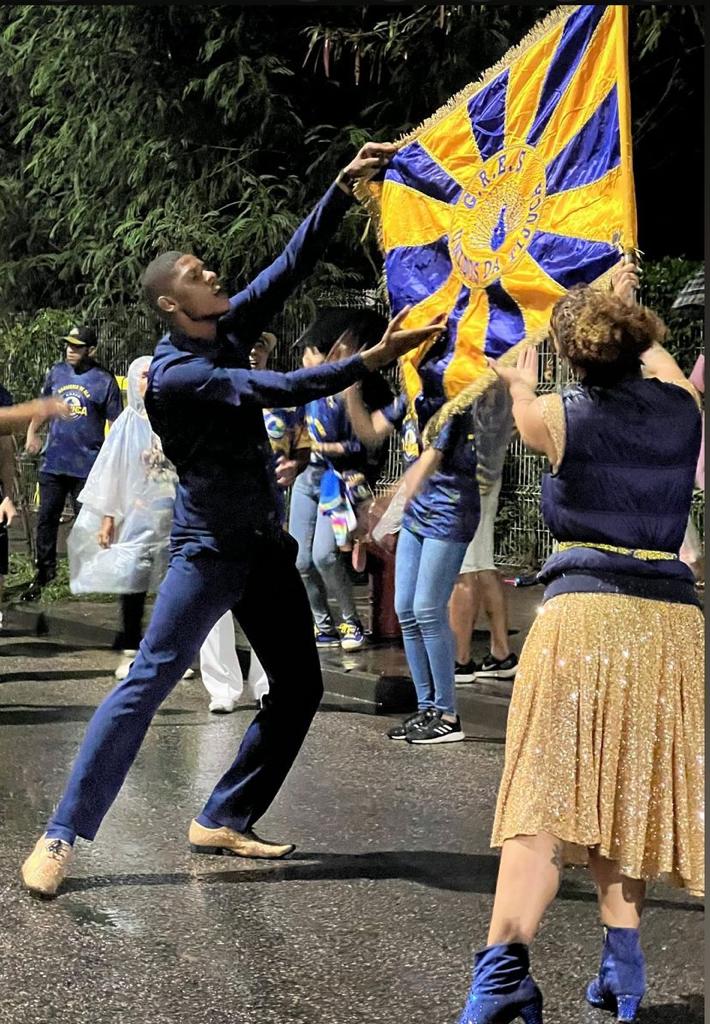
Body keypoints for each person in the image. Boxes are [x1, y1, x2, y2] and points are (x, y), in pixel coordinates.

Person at [21, 140, 446, 897]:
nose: (212, 275)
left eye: (207, 269)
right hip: (208, 551)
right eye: (196, 274)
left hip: (263, 548)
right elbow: (272, 387)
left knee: (300, 686)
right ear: (170, 303)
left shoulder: (220, 328)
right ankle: (61, 833)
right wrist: (368, 361)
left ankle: (224, 815)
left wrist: (341, 188)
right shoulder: (178, 373)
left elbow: (288, 266)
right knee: (147, 681)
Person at [456, 265, 703, 1024]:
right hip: (669, 626)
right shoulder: (684, 410)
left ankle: (501, 977)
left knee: (542, 793)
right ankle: (623, 972)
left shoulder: (555, 417)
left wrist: (517, 379)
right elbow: (660, 368)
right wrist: (628, 310)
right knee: (627, 795)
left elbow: (522, 406)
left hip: (585, 618)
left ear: (570, 356)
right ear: (638, 340)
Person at [289, 307, 393, 651]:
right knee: (299, 560)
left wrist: (334, 448)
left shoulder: (366, 389)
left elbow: (370, 443)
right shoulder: (306, 388)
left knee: (324, 555)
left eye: (312, 351)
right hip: (307, 480)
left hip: (339, 485)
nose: (305, 359)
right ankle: (322, 624)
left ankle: (350, 621)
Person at [386, 404, 480, 744]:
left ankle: (448, 714)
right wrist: (350, 390)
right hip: (416, 511)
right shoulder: (408, 395)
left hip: (448, 510)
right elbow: (371, 430)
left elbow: (434, 456)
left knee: (427, 608)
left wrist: (389, 500)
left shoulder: (449, 399)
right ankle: (426, 708)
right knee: (405, 608)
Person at [22, 326, 123, 601]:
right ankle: (44, 573)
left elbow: (116, 424)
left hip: (87, 466)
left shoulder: (104, 381)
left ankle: (89, 576)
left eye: (77, 346)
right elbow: (44, 406)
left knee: (86, 523)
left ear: (91, 350)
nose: (70, 350)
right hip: (54, 461)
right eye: (68, 345)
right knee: (46, 520)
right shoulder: (57, 373)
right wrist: (32, 433)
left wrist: (112, 459)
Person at [449, 381, 517, 683]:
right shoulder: (497, 381)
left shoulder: (469, 375)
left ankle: (460, 659)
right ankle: (501, 653)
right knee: (483, 562)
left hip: (465, 475)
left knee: (464, 569)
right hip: (487, 468)